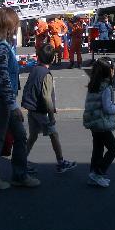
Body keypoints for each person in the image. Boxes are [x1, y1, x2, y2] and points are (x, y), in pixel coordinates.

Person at [0, 7, 40, 190]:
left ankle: (19, 175)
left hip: (0, 98)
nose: (16, 28)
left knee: (19, 136)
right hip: (2, 99)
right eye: (15, 24)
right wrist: (13, 105)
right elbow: (3, 77)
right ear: (9, 25)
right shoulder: (1, 47)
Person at [22, 43, 76, 173]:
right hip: (40, 110)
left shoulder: (34, 70)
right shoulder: (46, 74)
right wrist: (51, 115)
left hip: (31, 107)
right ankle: (61, 162)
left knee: (33, 135)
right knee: (54, 134)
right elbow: (47, 98)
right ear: (52, 59)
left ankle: (21, 159)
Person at [83, 57, 115, 188]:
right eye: (113, 68)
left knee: (97, 149)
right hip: (102, 123)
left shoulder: (93, 84)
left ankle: (93, 174)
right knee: (113, 149)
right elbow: (108, 108)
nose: (114, 71)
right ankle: (99, 172)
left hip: (94, 122)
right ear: (108, 71)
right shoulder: (106, 88)